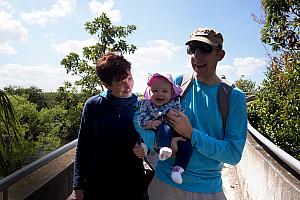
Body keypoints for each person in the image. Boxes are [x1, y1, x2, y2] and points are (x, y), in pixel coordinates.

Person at [135, 27, 248, 200]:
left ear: (220, 55)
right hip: (164, 183)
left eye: (205, 49)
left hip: (207, 189)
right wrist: (160, 143)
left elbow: (232, 154)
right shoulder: (179, 84)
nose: (197, 55)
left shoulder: (233, 97)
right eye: (192, 48)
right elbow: (138, 117)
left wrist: (191, 134)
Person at [67, 52, 148, 200]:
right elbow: (83, 145)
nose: (128, 85)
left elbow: (152, 139)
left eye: (130, 78)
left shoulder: (143, 106)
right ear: (107, 85)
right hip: (98, 184)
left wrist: (145, 148)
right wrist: (77, 184)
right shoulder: (93, 105)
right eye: (120, 83)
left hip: (132, 183)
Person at [138, 73, 192, 185]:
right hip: (161, 133)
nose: (159, 94)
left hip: (177, 133)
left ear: (172, 93)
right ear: (150, 91)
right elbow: (141, 119)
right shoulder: (147, 105)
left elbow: (182, 115)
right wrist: (150, 123)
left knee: (187, 146)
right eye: (155, 90)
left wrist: (177, 115)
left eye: (164, 91)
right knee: (164, 127)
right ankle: (163, 148)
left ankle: (177, 170)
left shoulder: (175, 103)